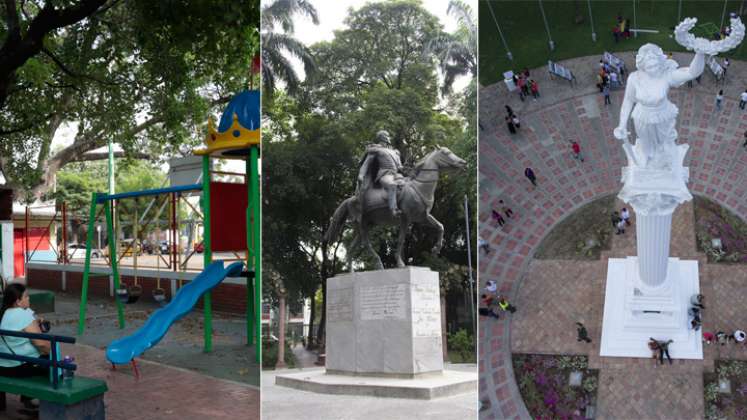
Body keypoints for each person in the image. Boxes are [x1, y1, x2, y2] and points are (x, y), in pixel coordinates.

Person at [613, 43, 709, 169]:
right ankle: (648, 159)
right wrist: (622, 124)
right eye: (649, 65)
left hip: (663, 115)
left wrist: (700, 53)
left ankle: (664, 160)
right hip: (642, 117)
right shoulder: (634, 78)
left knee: (664, 143)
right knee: (646, 144)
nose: (653, 68)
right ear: (642, 64)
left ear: (660, 62)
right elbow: (628, 101)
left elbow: (692, 72)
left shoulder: (666, 75)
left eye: (655, 64)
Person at [0, 284, 53, 411]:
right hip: (17, 368)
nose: (29, 298)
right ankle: (49, 407)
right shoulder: (21, 315)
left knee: (38, 359)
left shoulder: (5, 313)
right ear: (18, 301)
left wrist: (34, 322)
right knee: (54, 365)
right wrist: (51, 353)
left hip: (3, 365)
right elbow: (41, 344)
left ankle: (27, 399)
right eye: (26, 296)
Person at [357, 130, 405, 218]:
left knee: (409, 186)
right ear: (383, 137)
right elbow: (367, 163)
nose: (389, 138)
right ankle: (393, 210)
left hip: (397, 175)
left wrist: (407, 168)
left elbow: (400, 167)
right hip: (385, 175)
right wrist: (361, 174)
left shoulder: (395, 152)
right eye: (388, 136)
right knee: (392, 185)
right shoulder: (376, 150)